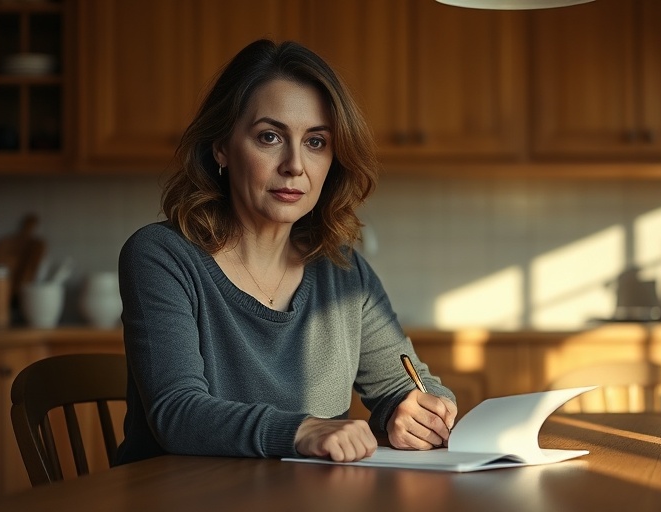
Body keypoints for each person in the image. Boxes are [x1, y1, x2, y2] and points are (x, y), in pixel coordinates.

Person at [115, 39, 457, 465]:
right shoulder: (161, 255)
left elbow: (407, 383)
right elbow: (177, 414)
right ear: (221, 146)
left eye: (316, 142)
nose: (294, 164)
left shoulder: (345, 272)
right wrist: (301, 429)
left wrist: (420, 410)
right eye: (270, 136)